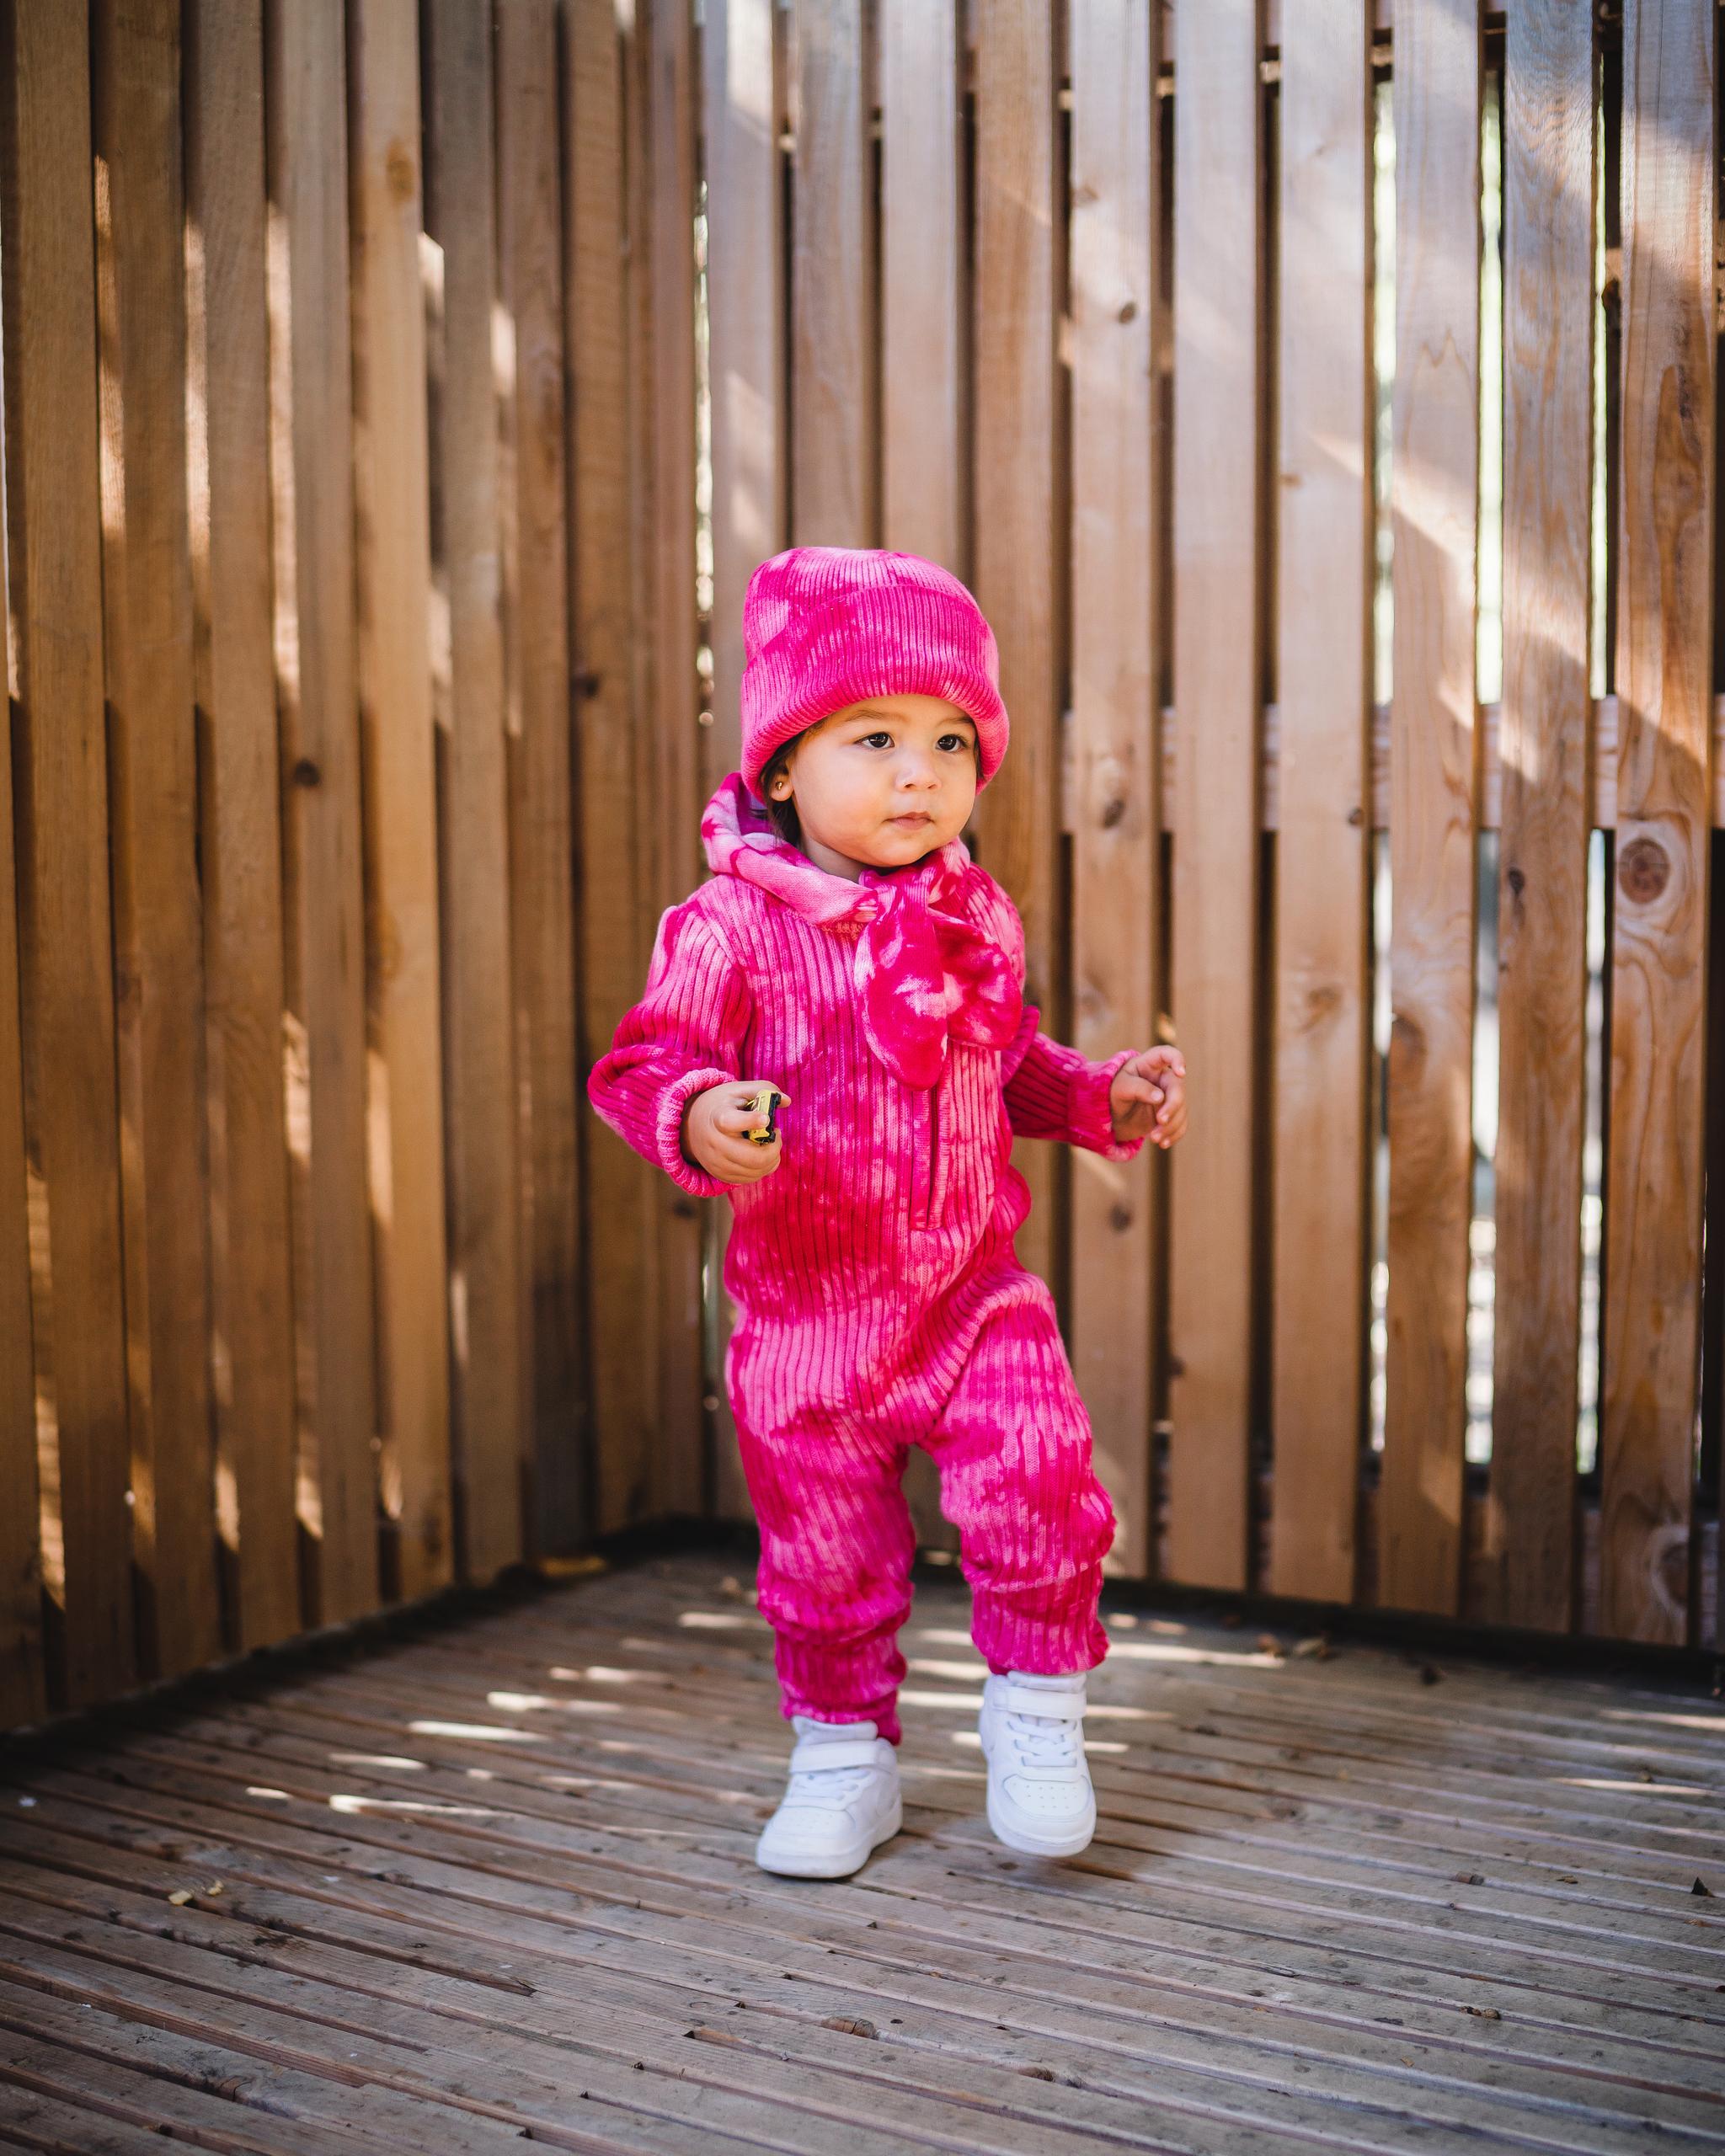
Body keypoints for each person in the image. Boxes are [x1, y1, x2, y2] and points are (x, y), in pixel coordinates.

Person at [587, 547, 1188, 1879]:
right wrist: (693, 1114)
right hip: (808, 1320)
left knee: (1040, 1474)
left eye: (951, 738)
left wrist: (1099, 1097)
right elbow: (642, 1065)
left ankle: (1038, 1712)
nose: (921, 771)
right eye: (876, 736)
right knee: (827, 1559)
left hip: (973, 1296)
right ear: (784, 765)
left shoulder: (977, 912)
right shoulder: (728, 929)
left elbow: (999, 1057)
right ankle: (844, 1758)